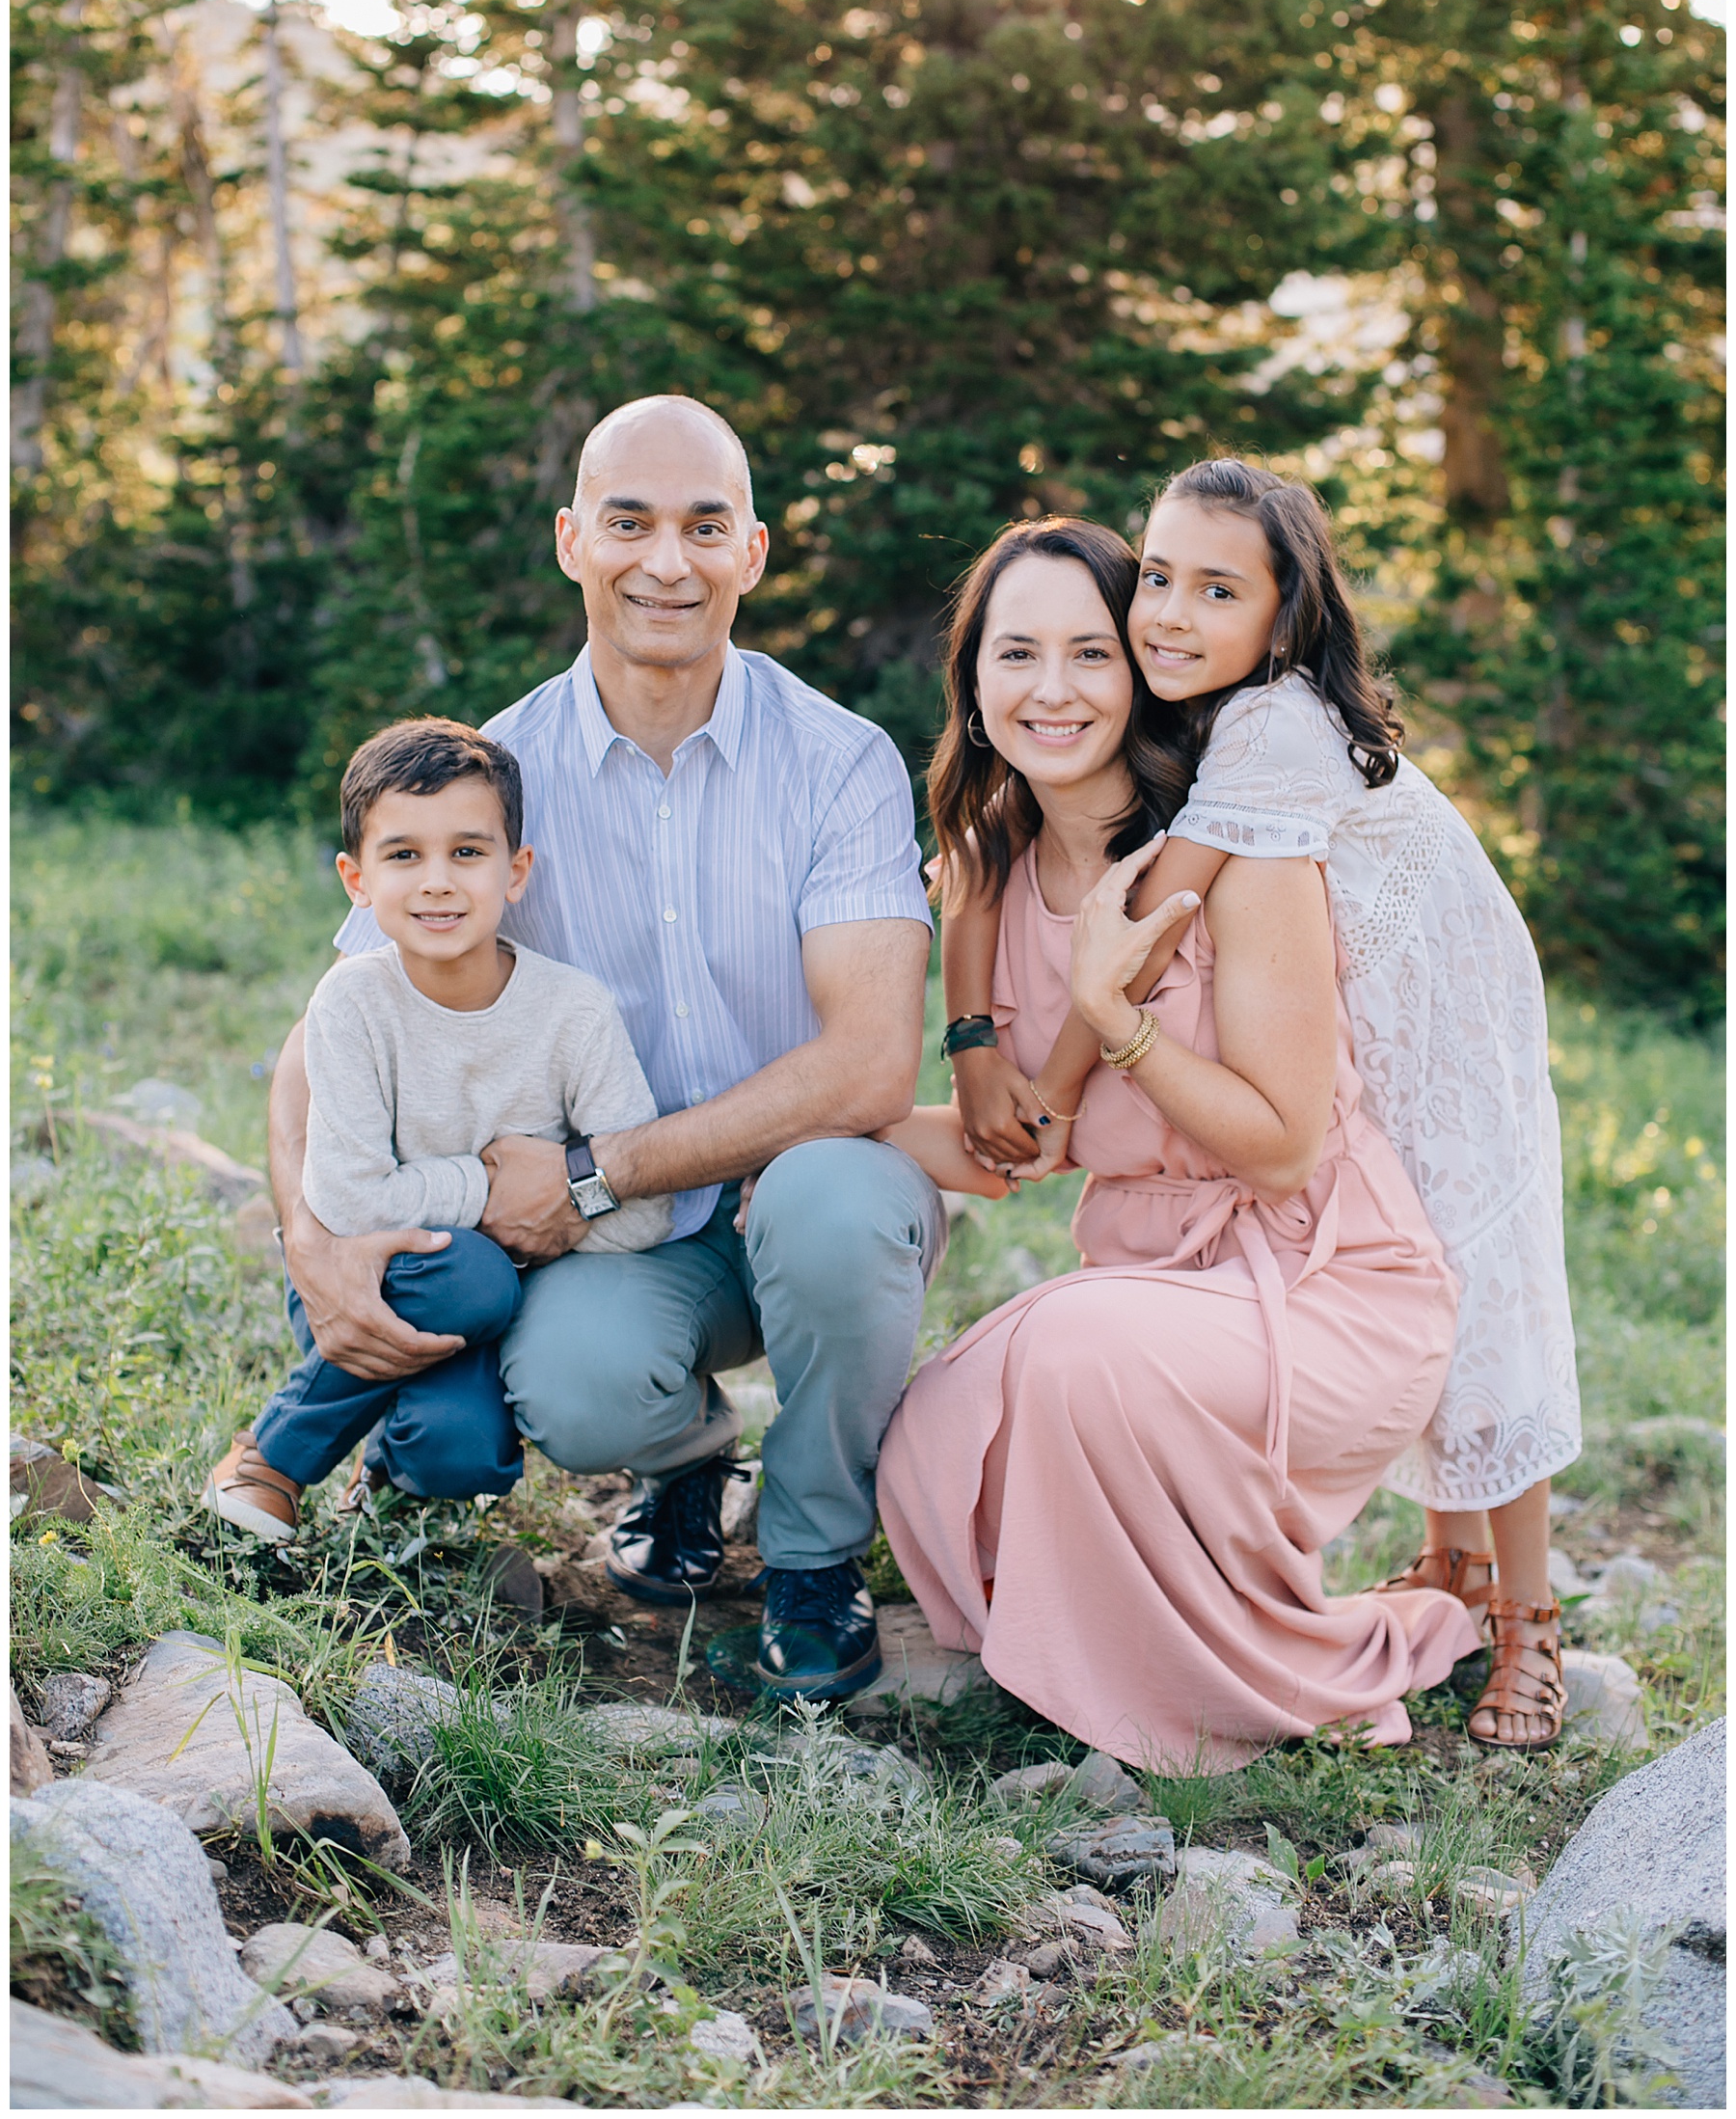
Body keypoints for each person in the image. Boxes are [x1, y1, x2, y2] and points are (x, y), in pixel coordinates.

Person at [265, 395, 939, 1700]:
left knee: (835, 1197)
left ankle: (809, 1554)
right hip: (622, 1243)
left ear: (753, 552)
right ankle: (690, 1459)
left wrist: (588, 1170)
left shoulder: (841, 760)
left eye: (704, 527)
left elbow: (867, 1065)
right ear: (574, 539)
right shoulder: (495, 769)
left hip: (796, 1203)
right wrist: (311, 1236)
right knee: (575, 1391)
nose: (666, 561)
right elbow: (324, 1028)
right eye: (629, 523)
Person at [936, 462, 1581, 1751]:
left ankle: (1534, 1619)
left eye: (1214, 588)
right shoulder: (1199, 742)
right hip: (1366, 1012)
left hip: (1451, 1008)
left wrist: (1061, 1070)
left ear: (1282, 619)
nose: (1168, 612)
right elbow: (1079, 915)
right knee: (1444, 1264)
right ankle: (1448, 1567)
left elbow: (1143, 926)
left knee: (1493, 1284)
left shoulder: (1267, 728)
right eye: (1158, 578)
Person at [203, 718, 672, 1542]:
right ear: (356, 878)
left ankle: (381, 1453)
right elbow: (346, 1199)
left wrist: (530, 1239)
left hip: (505, 1289)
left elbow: (645, 1210)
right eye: (403, 856)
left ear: (516, 870)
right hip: (375, 1275)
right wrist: (497, 1190)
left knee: (462, 1454)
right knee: (469, 1272)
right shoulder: (351, 1004)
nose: (438, 883)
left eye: (467, 852)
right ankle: (275, 1460)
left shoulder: (574, 1011)